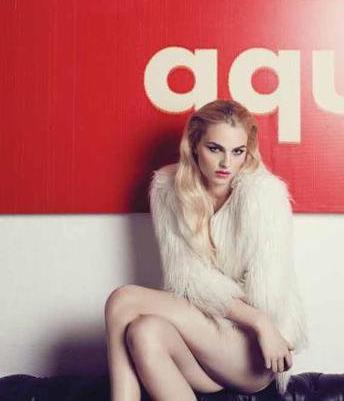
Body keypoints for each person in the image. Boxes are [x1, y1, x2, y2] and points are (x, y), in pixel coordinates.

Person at [105, 99, 308, 401]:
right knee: (143, 331)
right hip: (202, 352)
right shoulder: (168, 189)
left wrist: (261, 321)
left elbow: (268, 296)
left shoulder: (264, 196)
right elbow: (186, 279)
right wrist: (250, 315)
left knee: (123, 300)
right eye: (215, 149)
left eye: (237, 151)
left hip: (253, 351)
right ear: (194, 145)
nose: (226, 163)